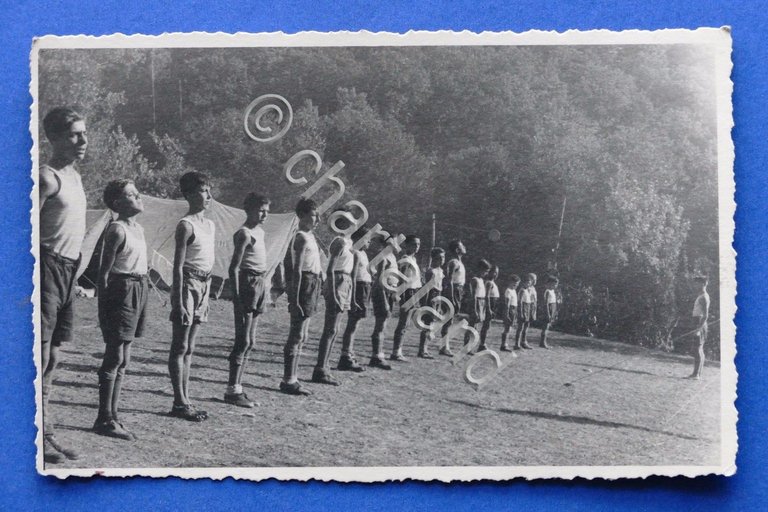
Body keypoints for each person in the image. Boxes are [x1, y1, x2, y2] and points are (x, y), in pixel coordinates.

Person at [39, 107, 88, 463]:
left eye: (84, 133)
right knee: (37, 355)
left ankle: (47, 430)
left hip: (70, 272)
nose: (83, 140)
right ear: (54, 138)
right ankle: (33, 438)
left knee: (54, 354)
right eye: (74, 134)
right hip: (46, 269)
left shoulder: (75, 176)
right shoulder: (46, 177)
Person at [93, 179, 148, 440]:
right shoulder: (115, 230)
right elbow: (103, 275)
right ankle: (103, 418)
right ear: (117, 203)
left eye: (137, 193)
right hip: (121, 291)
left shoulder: (138, 229)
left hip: (139, 287)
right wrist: (104, 311)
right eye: (131, 194)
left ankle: (114, 415)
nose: (138, 197)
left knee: (125, 358)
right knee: (114, 356)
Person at [167, 172, 215, 421]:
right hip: (188, 284)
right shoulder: (186, 225)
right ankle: (179, 401)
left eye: (208, 190)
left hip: (205, 285)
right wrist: (177, 301)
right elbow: (177, 266)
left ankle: (186, 398)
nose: (208, 196)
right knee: (180, 345)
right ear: (187, 195)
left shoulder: (210, 224)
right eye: (202, 191)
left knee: (191, 347)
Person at [225, 193, 270, 408]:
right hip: (247, 283)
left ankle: (239, 388)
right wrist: (237, 297)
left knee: (251, 341)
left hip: (260, 282)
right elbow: (233, 268)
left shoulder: (260, 232)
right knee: (242, 340)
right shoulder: (243, 234)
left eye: (267, 211)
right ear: (249, 209)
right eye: (261, 210)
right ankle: (232, 389)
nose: (264, 215)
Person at [280, 198, 323, 395]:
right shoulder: (300, 237)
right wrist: (294, 299)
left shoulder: (310, 236)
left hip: (313, 282)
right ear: (302, 216)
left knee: (303, 335)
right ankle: (288, 379)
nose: (318, 219)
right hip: (303, 283)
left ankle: (294, 378)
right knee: (296, 334)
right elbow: (295, 270)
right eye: (314, 215)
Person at [313, 215, 355, 386]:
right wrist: (335, 292)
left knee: (335, 329)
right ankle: (320, 369)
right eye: (349, 222)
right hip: (337, 281)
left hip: (345, 281)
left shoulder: (348, 243)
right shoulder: (339, 242)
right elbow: (330, 269)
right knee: (330, 328)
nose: (353, 224)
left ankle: (325, 367)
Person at [338, 227, 373, 372]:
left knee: (356, 323)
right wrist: (352, 299)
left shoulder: (364, 254)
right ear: (359, 239)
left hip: (365, 287)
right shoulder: (356, 253)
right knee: (352, 323)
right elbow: (352, 277)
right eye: (367, 239)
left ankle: (349, 353)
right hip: (358, 288)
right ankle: (345, 356)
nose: (369, 242)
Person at [390, 235, 422, 361]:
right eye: (413, 244)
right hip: (406, 292)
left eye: (418, 244)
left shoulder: (414, 259)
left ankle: (398, 350)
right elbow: (401, 277)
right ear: (406, 245)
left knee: (406, 323)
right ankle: (396, 352)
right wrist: (399, 293)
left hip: (414, 291)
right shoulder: (405, 260)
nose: (416, 247)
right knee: (403, 323)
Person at [367, 234, 396, 370]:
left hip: (389, 292)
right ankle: (376, 356)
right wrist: (384, 298)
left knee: (383, 325)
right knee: (380, 324)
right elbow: (380, 280)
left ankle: (378, 355)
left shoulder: (392, 257)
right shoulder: (383, 257)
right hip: (381, 292)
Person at [439, 239, 467, 356]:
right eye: (462, 246)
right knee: (448, 319)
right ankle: (444, 347)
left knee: (451, 320)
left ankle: (445, 346)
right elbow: (449, 280)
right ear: (457, 250)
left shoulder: (460, 262)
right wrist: (451, 297)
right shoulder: (454, 262)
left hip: (458, 290)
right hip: (453, 291)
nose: (464, 247)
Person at [417, 247, 445, 359]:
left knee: (432, 325)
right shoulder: (431, 271)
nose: (442, 260)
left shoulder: (441, 271)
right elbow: (427, 289)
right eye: (440, 258)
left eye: (443, 258)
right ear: (434, 258)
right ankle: (422, 349)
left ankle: (425, 348)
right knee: (427, 324)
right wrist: (425, 304)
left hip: (438, 296)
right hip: (431, 297)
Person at [464, 259, 491, 350]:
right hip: (476, 303)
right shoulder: (475, 280)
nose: (486, 273)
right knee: (472, 325)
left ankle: (471, 345)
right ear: (480, 269)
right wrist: (475, 309)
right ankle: (467, 345)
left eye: (487, 272)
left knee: (476, 326)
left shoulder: (481, 280)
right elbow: (474, 296)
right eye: (485, 271)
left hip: (481, 303)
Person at [688, 276, 711, 380]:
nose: (695, 285)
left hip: (700, 323)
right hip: (697, 322)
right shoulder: (701, 295)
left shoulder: (704, 297)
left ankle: (696, 374)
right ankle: (696, 374)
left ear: (703, 284)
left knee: (697, 349)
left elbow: (705, 315)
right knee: (698, 348)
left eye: (697, 283)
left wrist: (698, 329)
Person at [478, 264, 499, 352]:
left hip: (494, 304)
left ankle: (483, 343)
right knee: (486, 325)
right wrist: (489, 308)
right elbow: (486, 296)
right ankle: (482, 344)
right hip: (489, 304)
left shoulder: (493, 283)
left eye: (497, 273)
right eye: (493, 272)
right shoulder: (489, 283)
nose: (495, 274)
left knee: (488, 325)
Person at [499, 274, 521, 351]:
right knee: (507, 328)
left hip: (514, 309)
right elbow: (507, 304)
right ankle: (503, 345)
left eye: (517, 284)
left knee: (510, 328)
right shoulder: (508, 291)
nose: (516, 285)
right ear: (510, 282)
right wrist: (507, 313)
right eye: (514, 284)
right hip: (510, 309)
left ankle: (505, 344)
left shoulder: (514, 291)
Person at [515, 273, 536, 350]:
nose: (527, 284)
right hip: (523, 308)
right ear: (523, 283)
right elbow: (520, 302)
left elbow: (530, 301)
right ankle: (516, 344)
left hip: (528, 307)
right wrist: (520, 312)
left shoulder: (528, 290)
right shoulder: (522, 290)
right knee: (520, 327)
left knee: (526, 326)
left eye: (529, 283)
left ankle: (523, 342)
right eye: (526, 282)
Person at [539, 275, 559, 349]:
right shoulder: (547, 291)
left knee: (547, 326)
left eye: (556, 284)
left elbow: (554, 302)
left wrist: (555, 312)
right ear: (549, 283)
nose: (555, 286)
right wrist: (547, 313)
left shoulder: (553, 291)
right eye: (554, 284)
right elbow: (546, 303)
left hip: (552, 308)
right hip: (548, 309)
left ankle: (544, 342)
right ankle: (542, 342)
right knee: (545, 326)